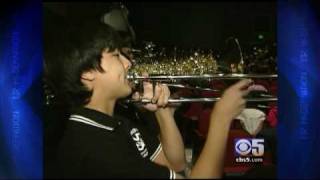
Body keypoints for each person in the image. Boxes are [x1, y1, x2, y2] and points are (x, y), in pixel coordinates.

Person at [50, 22, 253, 178]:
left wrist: (162, 112)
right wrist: (220, 120)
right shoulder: (96, 149)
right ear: (87, 73)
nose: (128, 63)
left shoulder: (117, 123)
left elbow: (176, 164)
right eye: (116, 55)